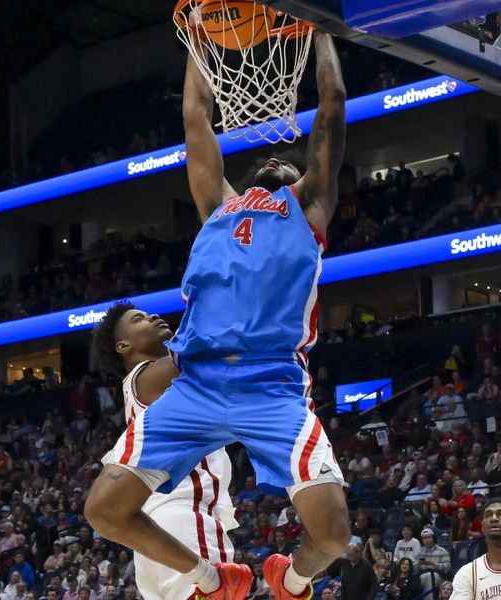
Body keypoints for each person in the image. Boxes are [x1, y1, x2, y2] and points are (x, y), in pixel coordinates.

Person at [85, 27, 350, 600]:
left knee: (333, 534)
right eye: (270, 159)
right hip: (198, 382)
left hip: (271, 383)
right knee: (103, 510)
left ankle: (291, 577)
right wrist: (200, 36)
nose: (279, 158)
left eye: (289, 159)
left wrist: (324, 29)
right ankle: (211, 581)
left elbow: (331, 104)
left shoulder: (310, 208)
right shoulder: (217, 211)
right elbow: (195, 119)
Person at [91, 304, 239, 600]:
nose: (153, 317)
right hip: (183, 519)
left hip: (152, 538)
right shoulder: (147, 377)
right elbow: (212, 352)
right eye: (139, 319)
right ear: (124, 345)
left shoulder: (146, 387)